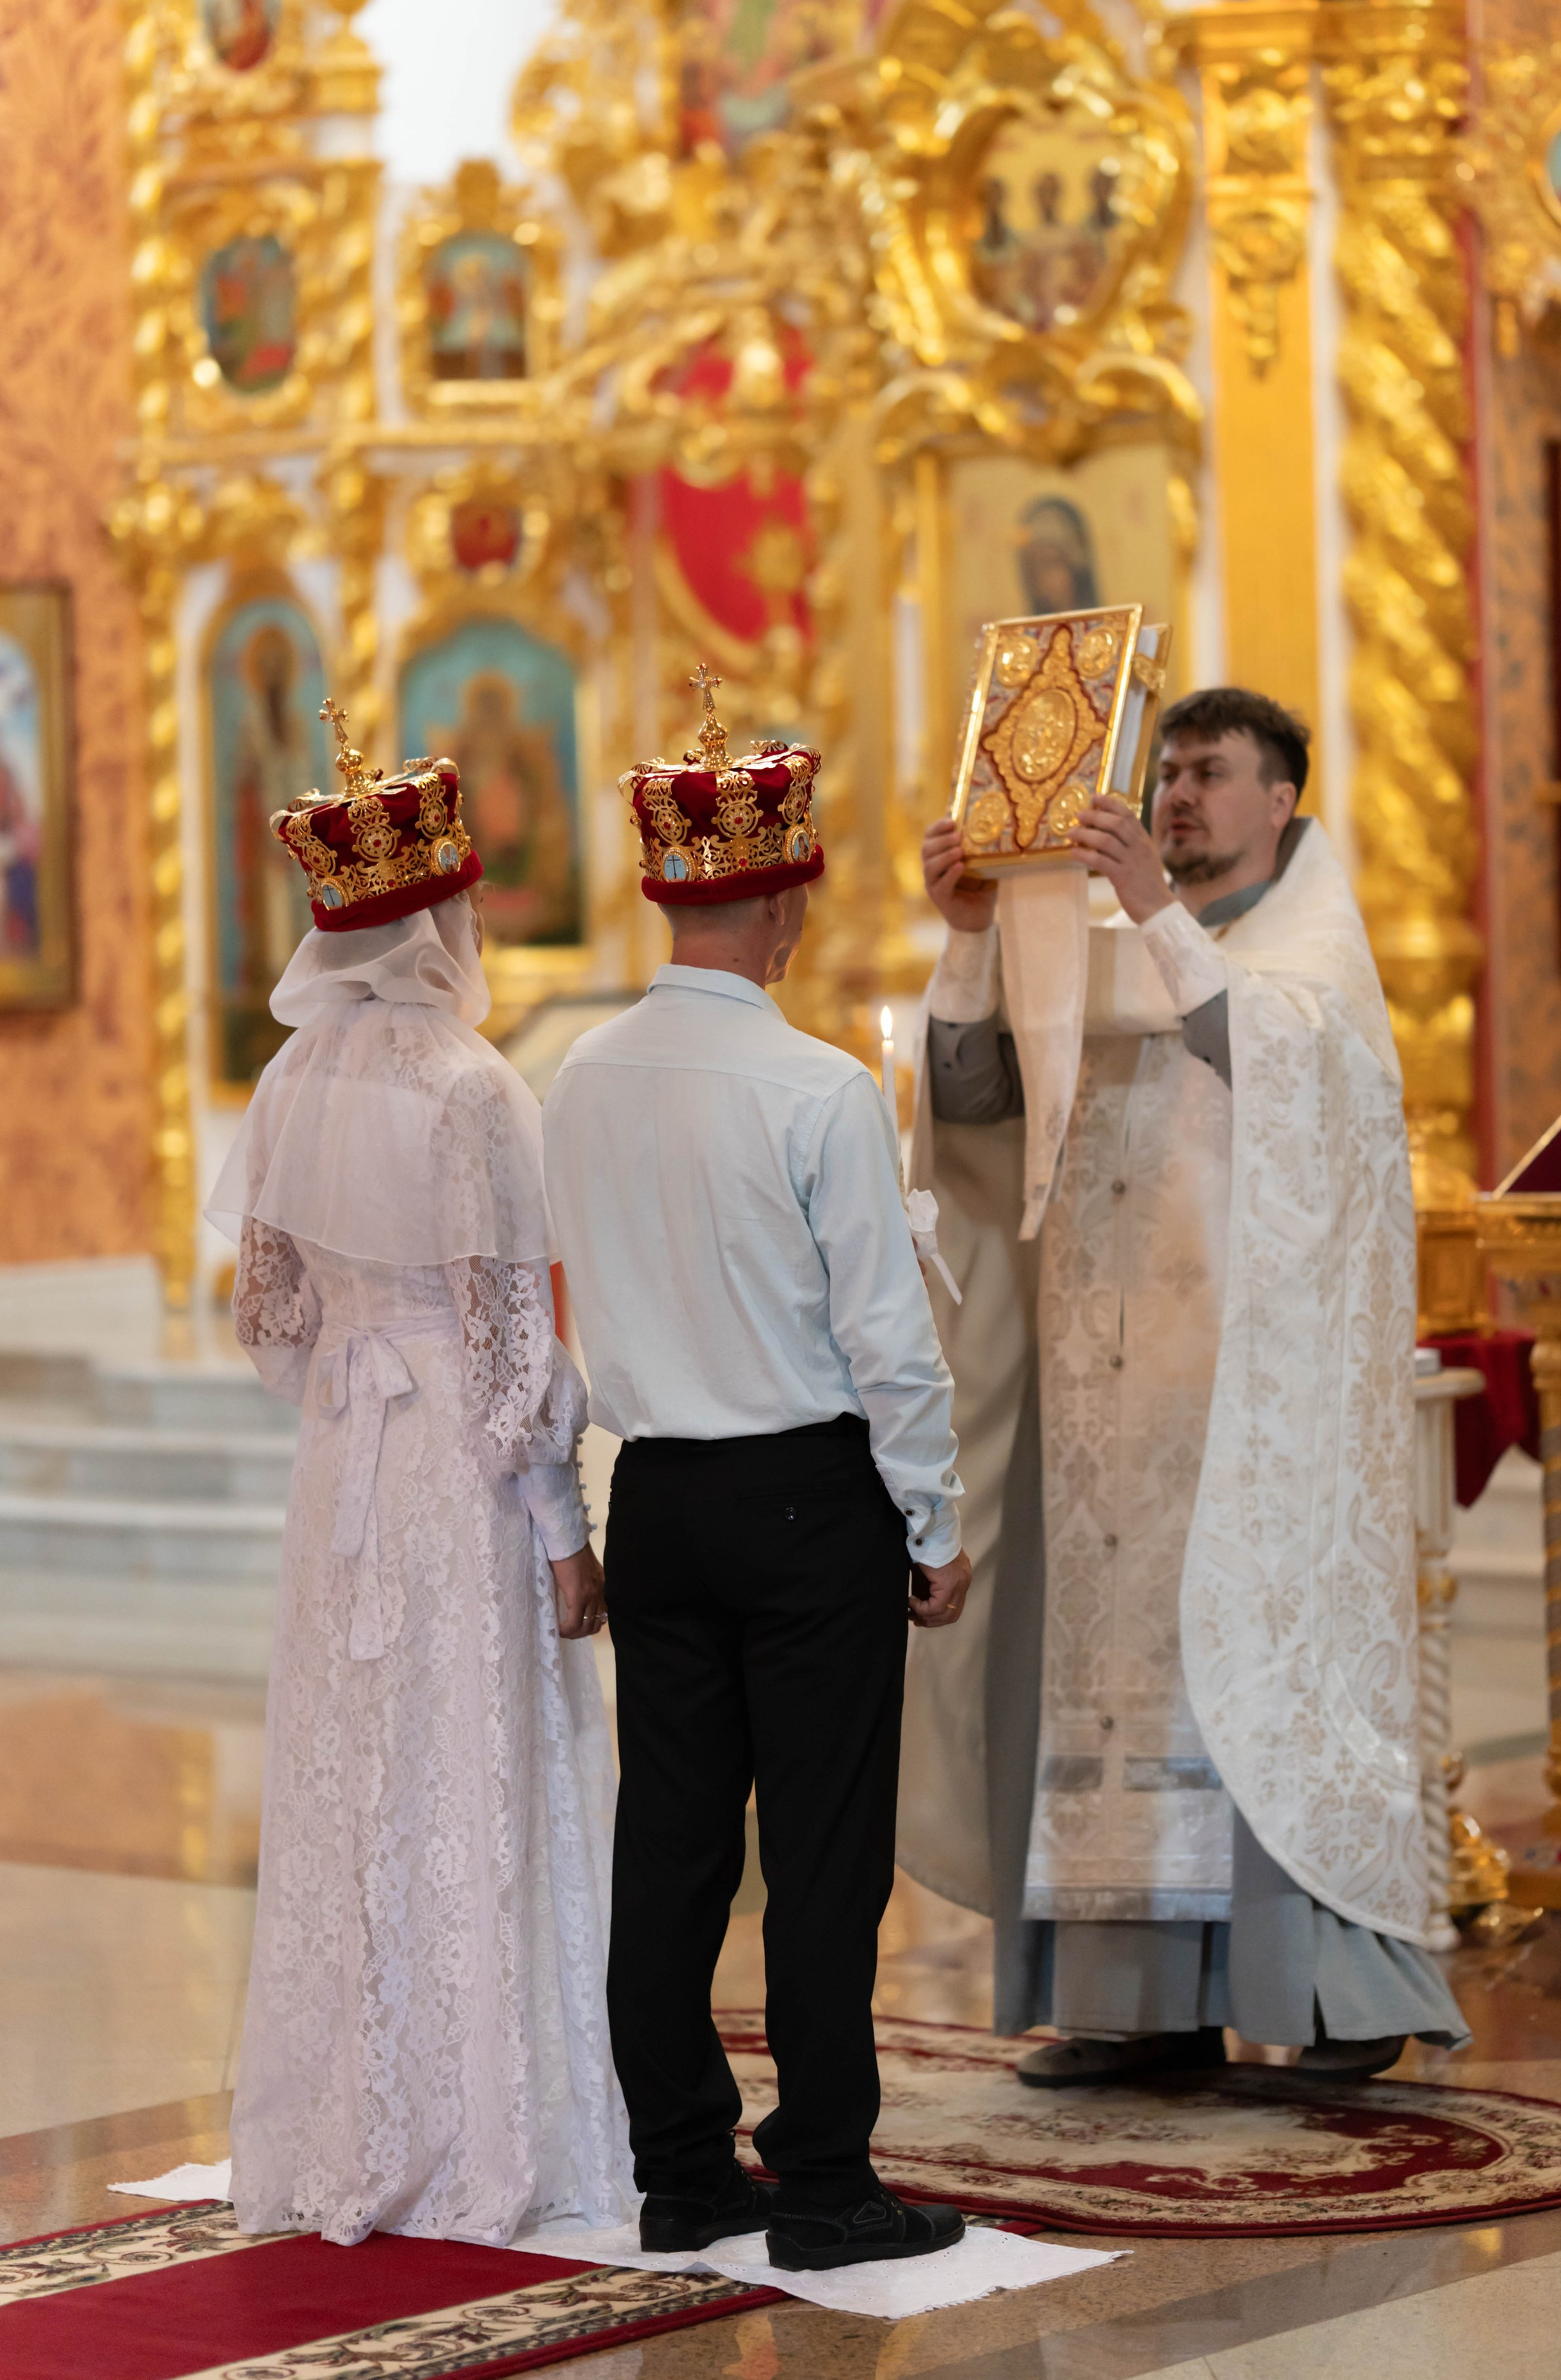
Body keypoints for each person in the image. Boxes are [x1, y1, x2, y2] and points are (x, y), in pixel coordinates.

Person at [901, 685, 1468, 2084]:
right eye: (1163, 771)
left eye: (1209, 774)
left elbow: (1270, 1068)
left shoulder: (1309, 960)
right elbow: (972, 1104)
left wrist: (1151, 911)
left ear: (1281, 801)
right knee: (1109, 1706)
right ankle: (1131, 2003)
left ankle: (1333, 1999)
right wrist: (973, 933)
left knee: (1261, 1696)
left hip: (1249, 1418)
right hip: (1106, 1416)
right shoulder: (1102, 950)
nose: (1173, 795)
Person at [543, 670, 973, 2273]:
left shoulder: (575, 1077)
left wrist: (573, 1512)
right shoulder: (817, 1089)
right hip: (806, 1500)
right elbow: (885, 1339)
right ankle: (823, 2183)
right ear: (785, 901)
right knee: (821, 1850)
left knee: (670, 1842)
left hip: (652, 1495)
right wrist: (931, 1518)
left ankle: (680, 2169)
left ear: (665, 895)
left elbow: (562, 1299)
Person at [208, 704, 632, 2246]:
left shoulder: (288, 1087)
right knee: (476, 1772)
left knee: (354, 1778)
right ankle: (486, 2128)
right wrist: (561, 1523)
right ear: (443, 921)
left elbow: (270, 1317)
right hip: (453, 1477)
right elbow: (515, 1347)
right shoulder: (471, 1090)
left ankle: (351, 2113)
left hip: (343, 1473)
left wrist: (348, 1378)